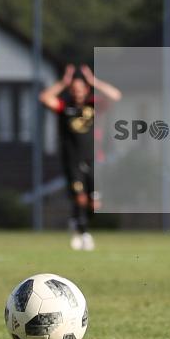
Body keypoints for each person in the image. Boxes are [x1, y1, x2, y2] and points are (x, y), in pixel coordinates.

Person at [40, 64, 122, 250]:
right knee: (80, 198)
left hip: (93, 159)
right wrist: (62, 82)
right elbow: (45, 98)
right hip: (72, 160)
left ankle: (77, 223)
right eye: (74, 89)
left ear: (86, 89)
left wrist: (95, 81)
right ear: (71, 90)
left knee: (94, 203)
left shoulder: (93, 104)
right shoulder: (64, 106)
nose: (77, 93)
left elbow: (116, 96)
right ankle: (83, 233)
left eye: (81, 89)